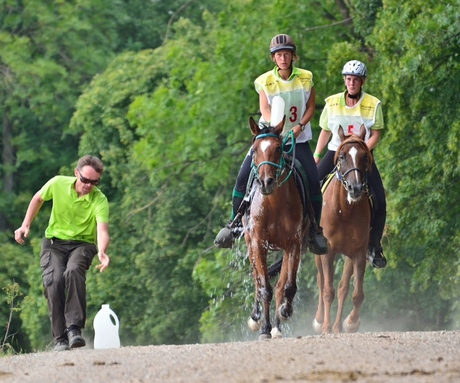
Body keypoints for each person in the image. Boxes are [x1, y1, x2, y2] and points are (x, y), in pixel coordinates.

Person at [214, 34, 328, 255]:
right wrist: (275, 130)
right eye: (278, 55)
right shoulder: (264, 80)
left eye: (286, 54)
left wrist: (299, 127)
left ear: (293, 56)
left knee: (313, 180)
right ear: (273, 58)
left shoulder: (306, 78)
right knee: (242, 176)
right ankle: (235, 224)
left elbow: (311, 108)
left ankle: (315, 230)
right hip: (269, 137)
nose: (283, 58)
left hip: (297, 139)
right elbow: (265, 110)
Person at [14, 155, 110, 351]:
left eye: (94, 182)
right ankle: (60, 338)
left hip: (83, 245)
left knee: (74, 271)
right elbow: (38, 198)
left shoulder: (99, 199)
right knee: (54, 280)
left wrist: (102, 250)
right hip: (54, 244)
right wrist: (25, 225)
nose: (88, 185)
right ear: (76, 174)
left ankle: (74, 329)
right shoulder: (58, 183)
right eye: (85, 180)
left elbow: (102, 230)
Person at [313, 60, 387, 268]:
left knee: (380, 199)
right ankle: (308, 234)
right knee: (311, 188)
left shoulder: (373, 104)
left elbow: (376, 134)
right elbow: (326, 131)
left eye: (355, 80)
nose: (351, 83)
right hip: (335, 151)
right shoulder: (332, 102)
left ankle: (374, 245)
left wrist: (364, 150)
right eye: (348, 79)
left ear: (362, 82)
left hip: (360, 156)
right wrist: (317, 154)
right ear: (344, 81)